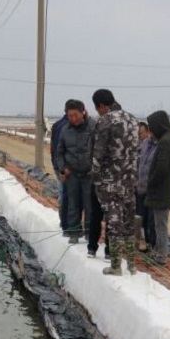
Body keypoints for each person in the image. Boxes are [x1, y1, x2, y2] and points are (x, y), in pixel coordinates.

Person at [91, 89, 139, 276]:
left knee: (114, 221)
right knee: (129, 220)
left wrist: (95, 176)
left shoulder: (106, 121)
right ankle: (132, 265)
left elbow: (98, 153)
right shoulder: (133, 119)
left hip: (110, 181)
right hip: (129, 180)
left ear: (102, 106)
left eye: (98, 109)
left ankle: (116, 266)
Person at [144, 110, 170, 267]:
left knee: (160, 225)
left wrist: (150, 182)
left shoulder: (165, 142)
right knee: (159, 223)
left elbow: (161, 168)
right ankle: (158, 250)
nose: (151, 132)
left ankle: (161, 255)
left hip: (161, 191)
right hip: (167, 189)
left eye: (152, 128)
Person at [55, 100, 95, 243]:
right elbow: (59, 153)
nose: (73, 118)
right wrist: (63, 168)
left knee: (90, 205)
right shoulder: (65, 130)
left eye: (76, 115)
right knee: (73, 204)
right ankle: (74, 232)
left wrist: (95, 168)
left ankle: (90, 233)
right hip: (72, 174)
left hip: (89, 174)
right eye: (70, 116)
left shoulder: (93, 127)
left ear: (83, 112)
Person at [135, 121, 157, 252]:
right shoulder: (140, 146)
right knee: (139, 215)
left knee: (151, 218)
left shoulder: (153, 146)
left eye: (141, 133)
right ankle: (141, 239)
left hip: (150, 188)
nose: (139, 136)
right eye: (137, 133)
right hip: (138, 186)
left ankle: (151, 243)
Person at [50, 102, 71, 234]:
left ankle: (63, 222)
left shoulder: (56, 125)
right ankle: (68, 224)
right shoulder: (70, 127)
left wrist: (56, 166)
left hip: (60, 166)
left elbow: (53, 149)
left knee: (63, 194)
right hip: (69, 168)